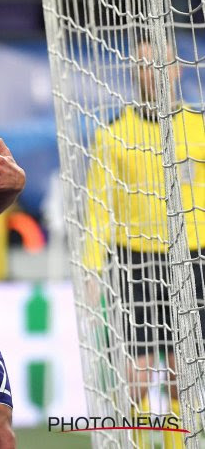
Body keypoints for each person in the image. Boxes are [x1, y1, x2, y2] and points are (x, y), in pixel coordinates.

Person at [84, 39, 205, 449]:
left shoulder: (199, 129)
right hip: (135, 258)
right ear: (133, 72)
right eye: (142, 63)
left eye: (160, 63)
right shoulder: (114, 135)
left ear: (178, 70)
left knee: (180, 368)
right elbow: (99, 208)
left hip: (191, 257)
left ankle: (175, 444)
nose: (151, 71)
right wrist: (92, 267)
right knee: (135, 369)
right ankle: (136, 442)